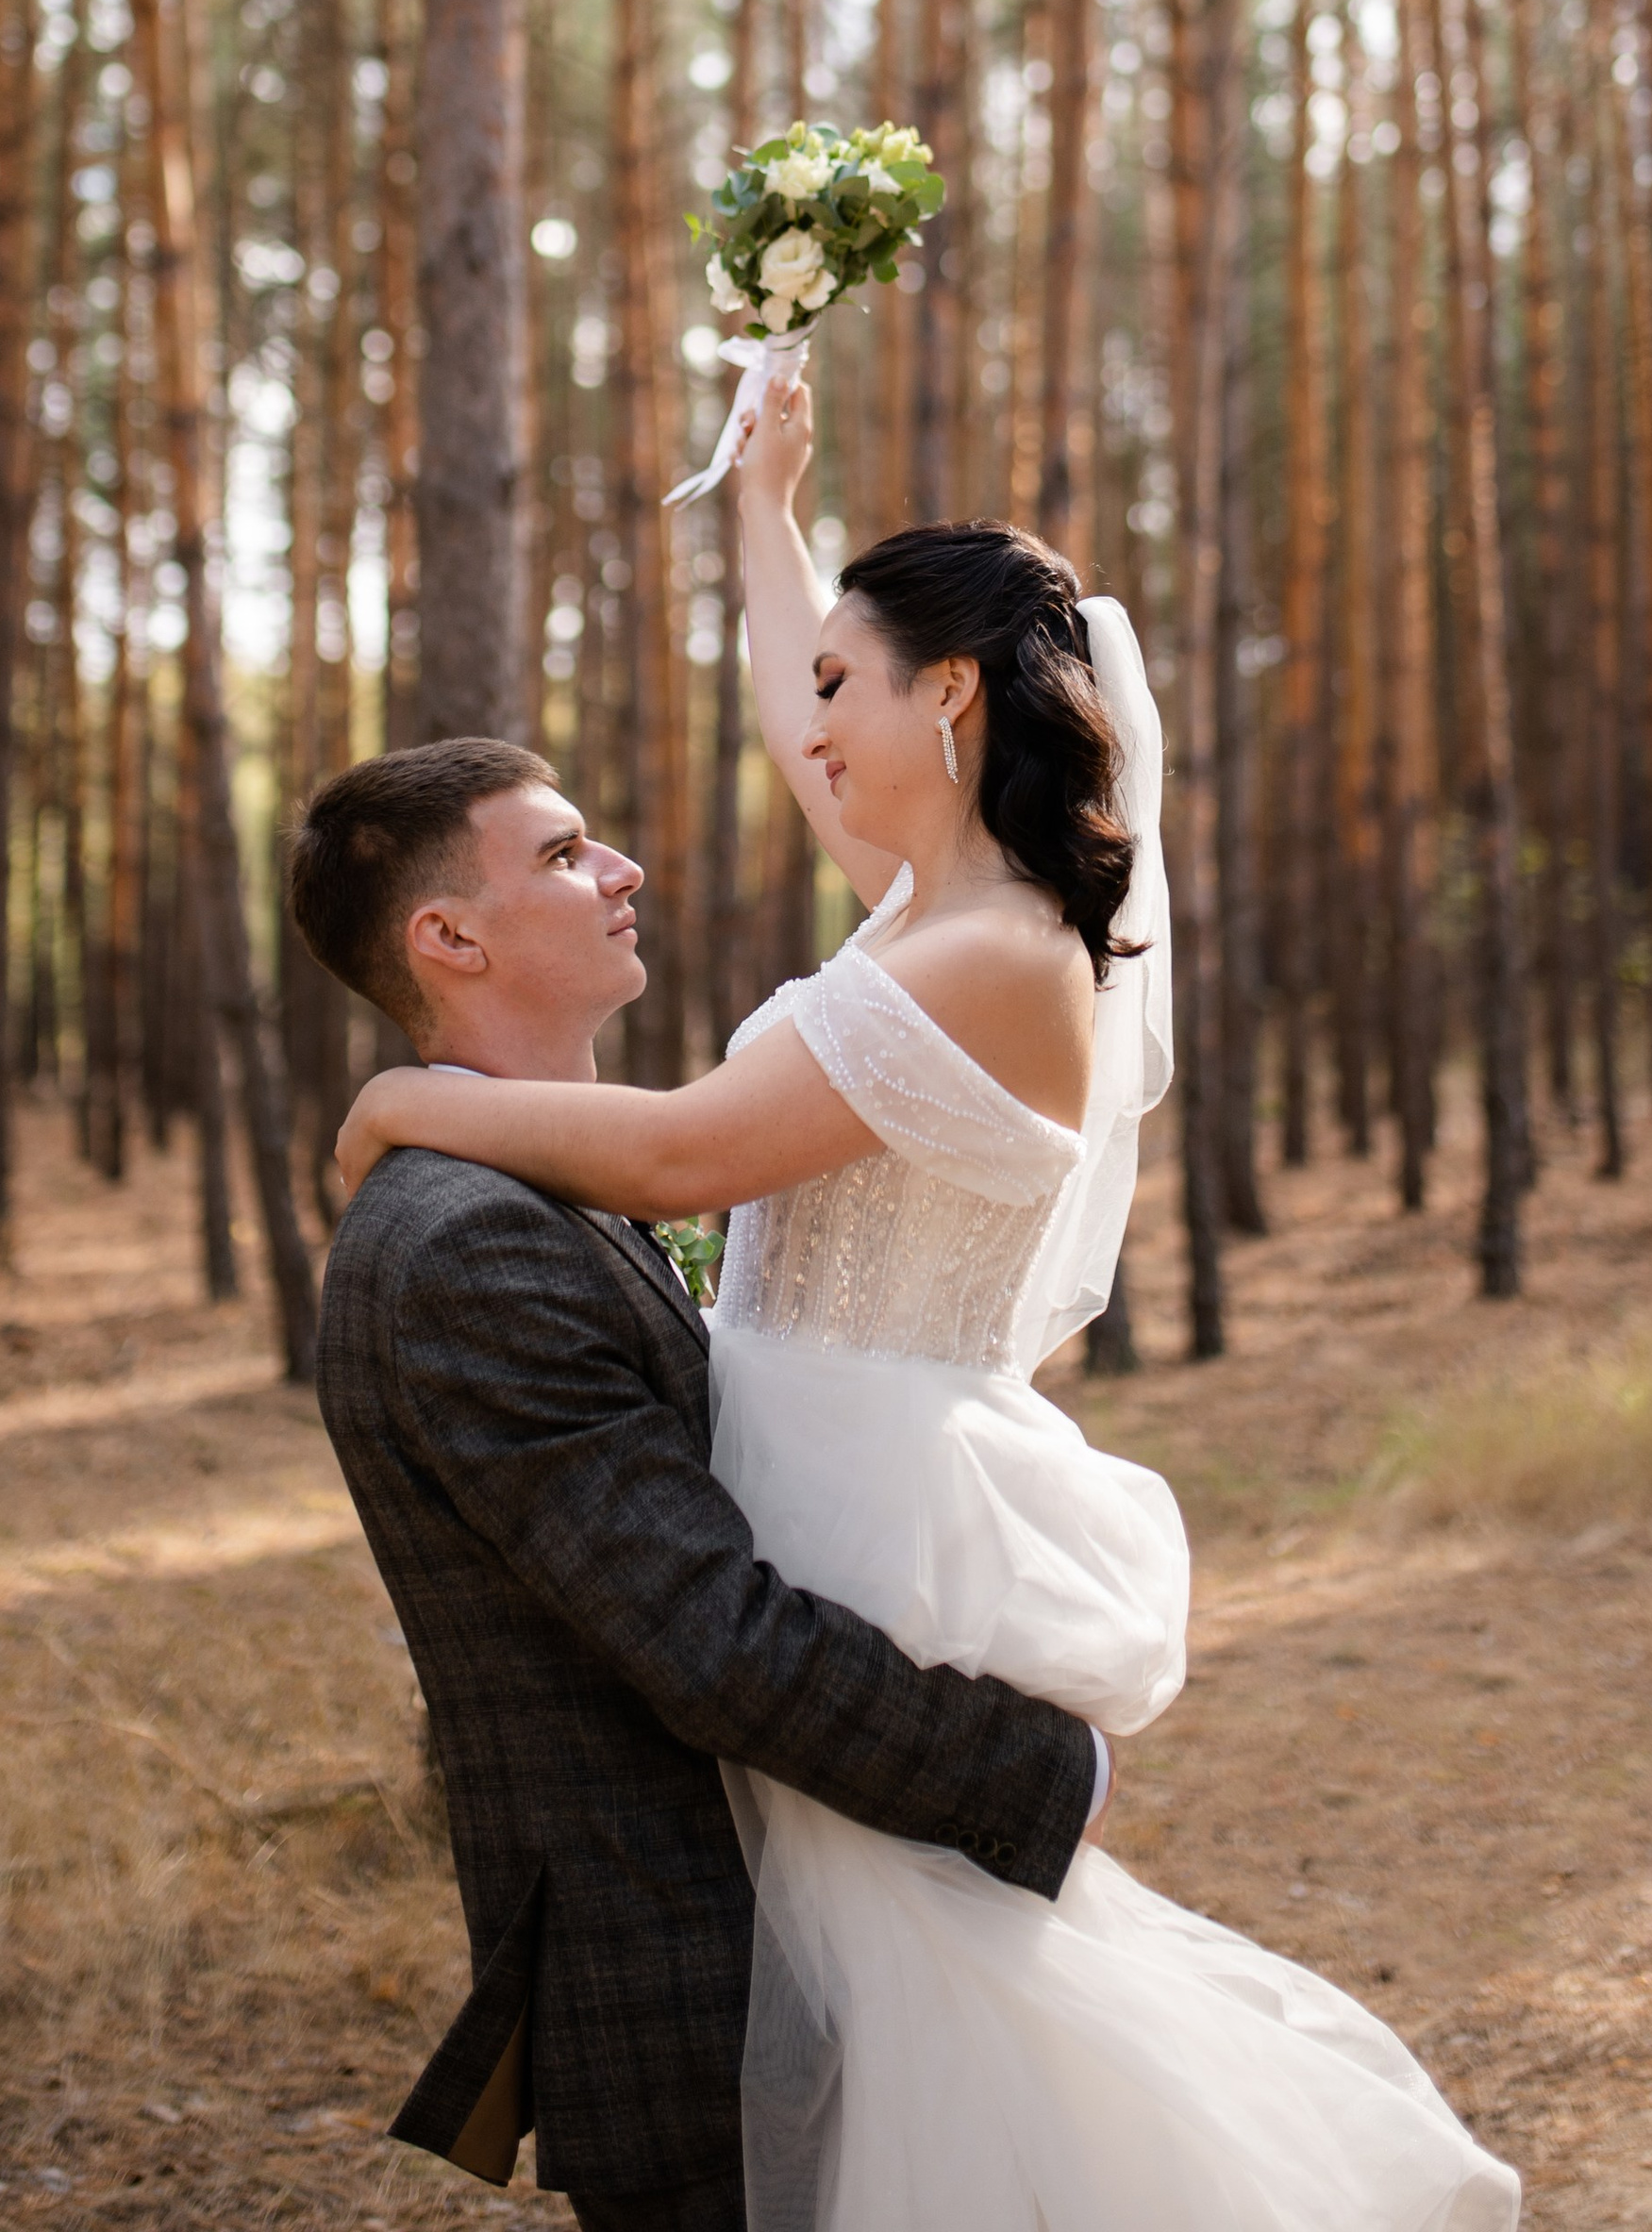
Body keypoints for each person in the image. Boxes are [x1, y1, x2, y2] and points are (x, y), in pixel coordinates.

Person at [331, 372, 1523, 2231]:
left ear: (945, 695)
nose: (808, 725)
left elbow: (670, 1158)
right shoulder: (922, 910)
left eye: (843, 686)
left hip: (852, 1496)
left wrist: (410, 1099)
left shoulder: (988, 953)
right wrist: (761, 509)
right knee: (875, 1990)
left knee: (911, 2005)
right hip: (819, 1447)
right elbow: (792, 702)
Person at [300, 730, 1109, 2232]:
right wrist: (1039, 1772)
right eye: (560, 854)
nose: (623, 871)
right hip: (693, 1980)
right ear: (449, 937)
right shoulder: (468, 1245)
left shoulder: (546, 1195)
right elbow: (708, 1642)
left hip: (790, 1945)